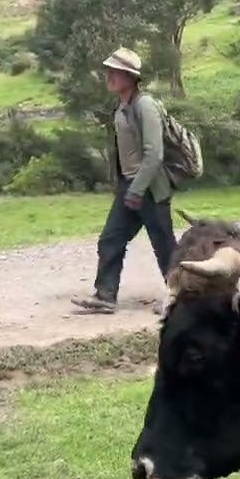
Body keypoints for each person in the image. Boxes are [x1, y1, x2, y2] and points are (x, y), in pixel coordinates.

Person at [71, 47, 177, 315]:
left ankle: (182, 299)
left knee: (164, 247)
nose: (110, 76)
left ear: (131, 77)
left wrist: (137, 189)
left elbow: (154, 154)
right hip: (129, 188)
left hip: (149, 189)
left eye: (116, 72)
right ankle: (105, 296)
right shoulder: (121, 108)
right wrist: (125, 187)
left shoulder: (145, 106)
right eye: (109, 71)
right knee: (110, 239)